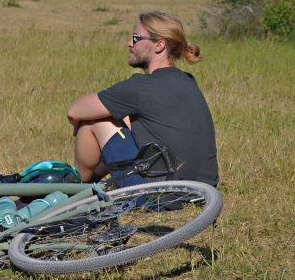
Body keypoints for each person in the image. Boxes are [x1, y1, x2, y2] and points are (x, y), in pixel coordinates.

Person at [66, 11, 218, 187]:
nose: (129, 43)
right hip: (202, 191)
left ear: (159, 45)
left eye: (136, 37)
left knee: (93, 121)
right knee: (118, 115)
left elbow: (74, 111)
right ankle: (93, 181)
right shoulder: (187, 80)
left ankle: (77, 186)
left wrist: (88, 118)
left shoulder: (141, 87)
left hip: (158, 194)